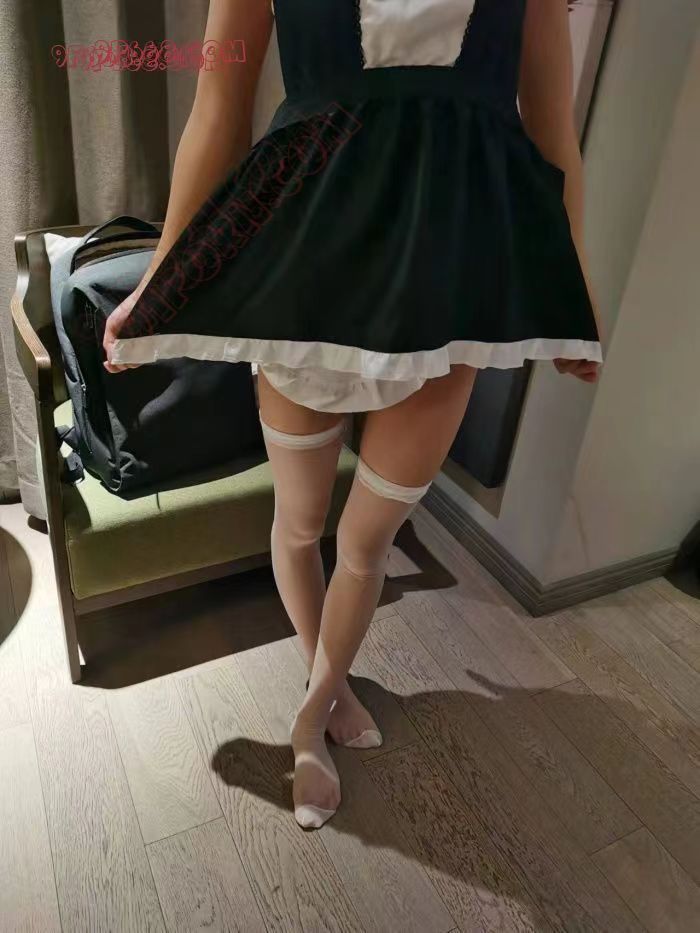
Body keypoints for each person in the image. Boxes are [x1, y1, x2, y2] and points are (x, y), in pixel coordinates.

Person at [103, 0, 604, 830]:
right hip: (304, 275)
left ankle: (310, 719)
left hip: (446, 290)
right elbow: (217, 111)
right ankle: (325, 681)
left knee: (368, 539)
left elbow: (553, 131)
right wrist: (162, 279)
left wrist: (571, 292)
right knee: (301, 523)